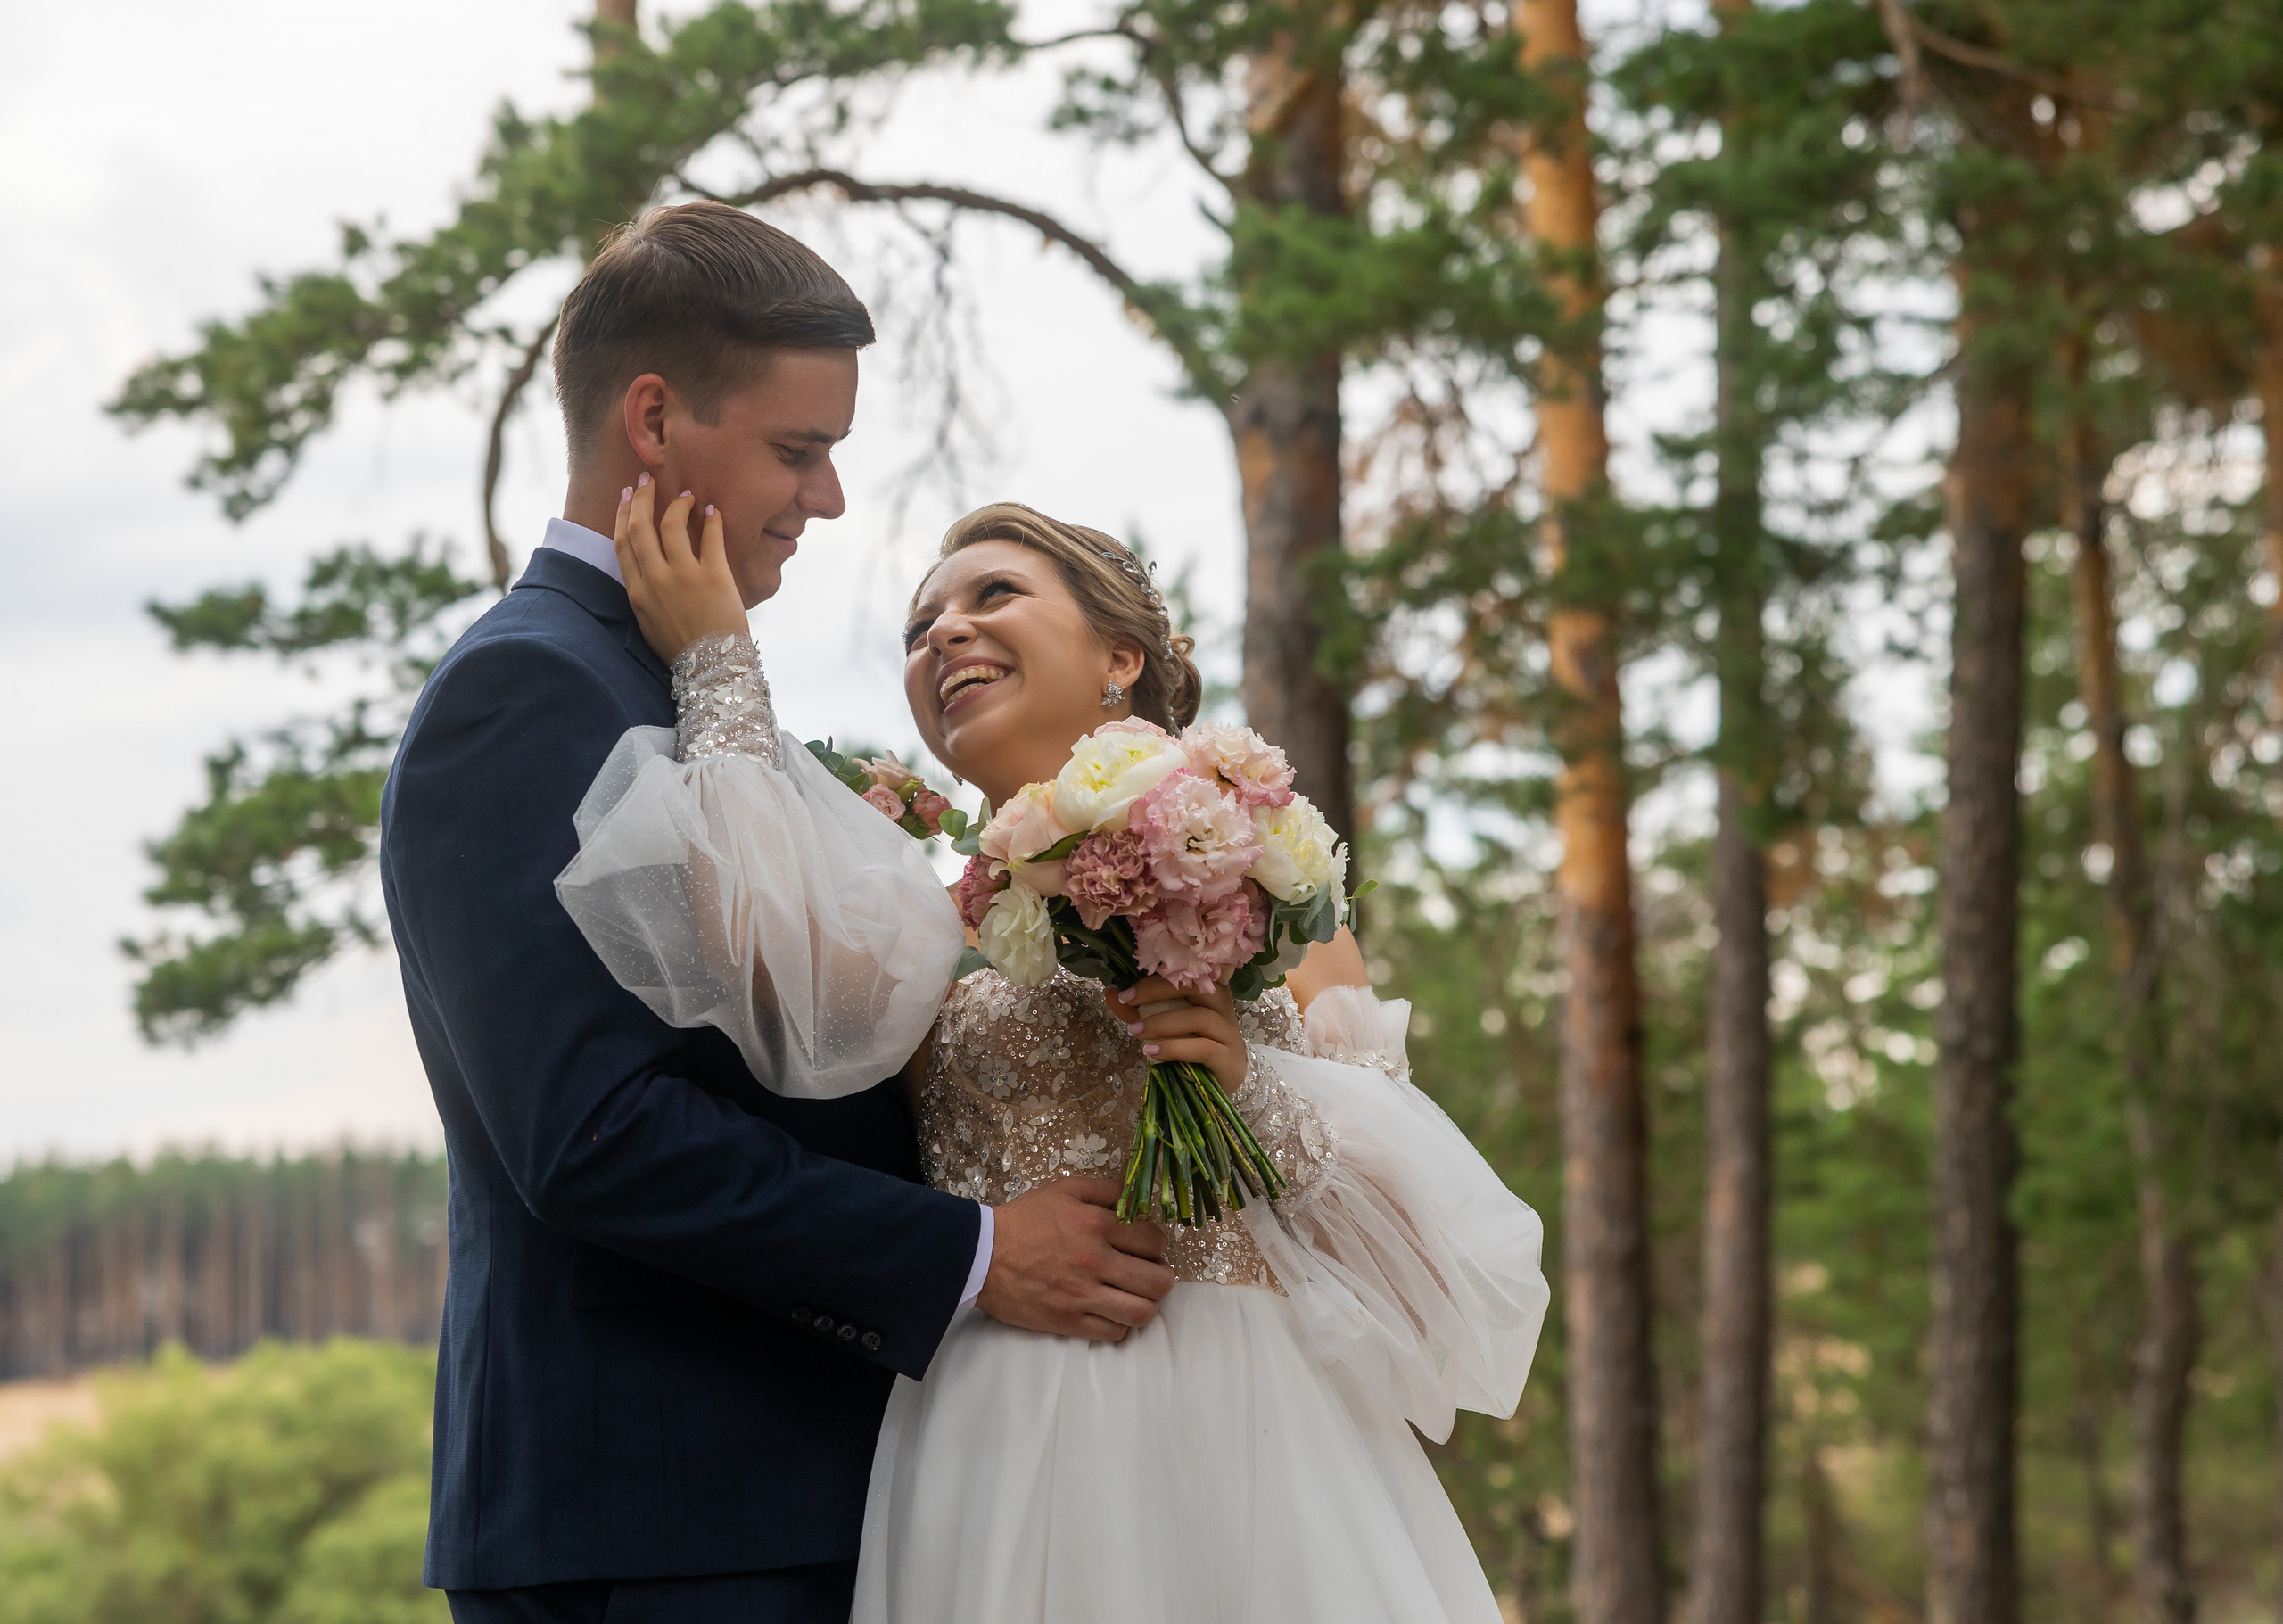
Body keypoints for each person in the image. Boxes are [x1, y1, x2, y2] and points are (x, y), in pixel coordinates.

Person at [379, 202, 1176, 1624]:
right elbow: (593, 1132)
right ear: (652, 418)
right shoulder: (527, 696)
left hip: (796, 1490)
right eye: (799, 450)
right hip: (661, 1517)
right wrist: (979, 1254)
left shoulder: (676, 677)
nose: (828, 501)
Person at [568, 488, 1553, 1621]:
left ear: (1119, 657)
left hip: (1260, 1437)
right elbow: (742, 952)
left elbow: (1417, 1262)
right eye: (919, 626)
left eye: (994, 595)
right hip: (1006, 1434)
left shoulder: (1276, 888)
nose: (944, 632)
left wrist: (1247, 1086)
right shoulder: (919, 925)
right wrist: (717, 666)